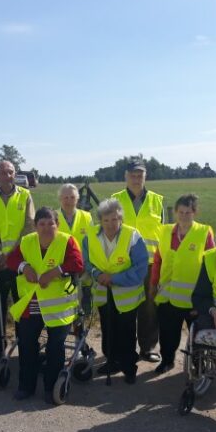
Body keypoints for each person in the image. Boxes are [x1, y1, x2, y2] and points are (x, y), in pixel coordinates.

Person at [6, 207, 84, 403]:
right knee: (26, 344)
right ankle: (26, 386)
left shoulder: (67, 240)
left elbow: (77, 263)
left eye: (51, 224)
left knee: (55, 346)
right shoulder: (27, 241)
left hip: (58, 305)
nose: (47, 228)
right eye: (42, 224)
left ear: (57, 225)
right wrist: (25, 267)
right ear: (35, 226)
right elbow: (12, 259)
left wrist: (56, 271)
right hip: (31, 303)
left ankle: (51, 388)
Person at [82, 198, 148, 384]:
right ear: (100, 220)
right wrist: (97, 274)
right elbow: (87, 262)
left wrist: (114, 278)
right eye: (106, 220)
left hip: (127, 295)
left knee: (126, 331)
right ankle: (112, 361)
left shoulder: (133, 236)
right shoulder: (90, 236)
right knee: (108, 327)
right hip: (103, 292)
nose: (110, 224)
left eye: (114, 220)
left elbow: (140, 267)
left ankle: (129, 366)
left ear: (121, 219)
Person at [149, 194, 215, 373]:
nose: (184, 216)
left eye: (188, 212)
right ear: (176, 212)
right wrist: (153, 285)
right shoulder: (165, 231)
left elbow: (211, 264)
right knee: (167, 332)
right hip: (167, 295)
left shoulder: (203, 232)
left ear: (195, 212)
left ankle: (199, 365)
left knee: (197, 335)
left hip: (194, 297)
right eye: (181, 212)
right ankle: (167, 360)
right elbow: (158, 260)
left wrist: (208, 294)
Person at [112, 157, 163, 362]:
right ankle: (124, 348)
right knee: (125, 307)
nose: (136, 178)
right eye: (132, 175)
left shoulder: (157, 200)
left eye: (140, 175)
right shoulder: (115, 199)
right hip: (123, 263)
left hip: (150, 263)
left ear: (145, 176)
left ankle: (148, 347)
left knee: (149, 307)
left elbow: (163, 233)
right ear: (126, 176)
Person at [0, 160, 35, 347]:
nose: (7, 175)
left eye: (10, 172)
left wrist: (12, 256)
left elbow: (29, 225)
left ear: (15, 174)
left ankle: (24, 342)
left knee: (22, 304)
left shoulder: (25, 195)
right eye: (2, 172)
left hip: (20, 262)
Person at [56, 183, 93, 313]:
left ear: (77, 199)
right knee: (64, 311)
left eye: (72, 197)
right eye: (65, 197)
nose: (69, 201)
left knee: (83, 311)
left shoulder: (87, 217)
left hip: (83, 271)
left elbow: (92, 244)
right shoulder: (53, 217)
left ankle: (81, 331)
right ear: (60, 199)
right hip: (61, 270)